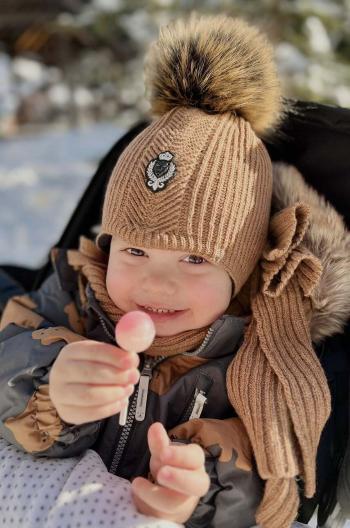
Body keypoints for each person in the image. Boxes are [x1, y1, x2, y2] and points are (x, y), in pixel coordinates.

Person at [0, 12, 349, 528]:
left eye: (194, 259)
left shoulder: (260, 357)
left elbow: (272, 477)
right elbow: (10, 356)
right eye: (135, 252)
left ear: (243, 271)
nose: (155, 283)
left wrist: (198, 488)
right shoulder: (75, 292)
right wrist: (51, 390)